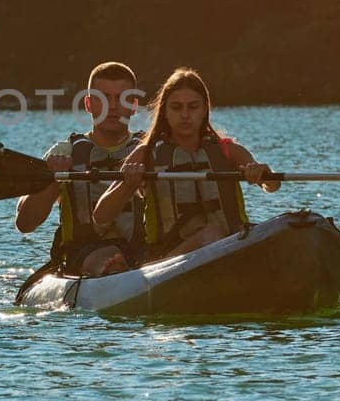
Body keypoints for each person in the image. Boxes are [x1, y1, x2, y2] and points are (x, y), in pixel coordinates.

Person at [93, 67, 279, 259]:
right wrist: (128, 184)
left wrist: (262, 173)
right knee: (211, 234)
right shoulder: (145, 154)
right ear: (164, 111)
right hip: (168, 260)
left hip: (229, 246)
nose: (184, 115)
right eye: (176, 107)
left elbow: (273, 185)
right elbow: (101, 216)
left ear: (205, 109)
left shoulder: (228, 150)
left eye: (193, 107)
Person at [15, 61, 145, 277]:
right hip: (83, 255)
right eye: (102, 98)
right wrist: (53, 179)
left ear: (133, 105)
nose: (112, 106)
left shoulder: (148, 149)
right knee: (112, 257)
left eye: (121, 98)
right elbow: (25, 224)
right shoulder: (65, 152)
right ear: (88, 104)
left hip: (143, 253)